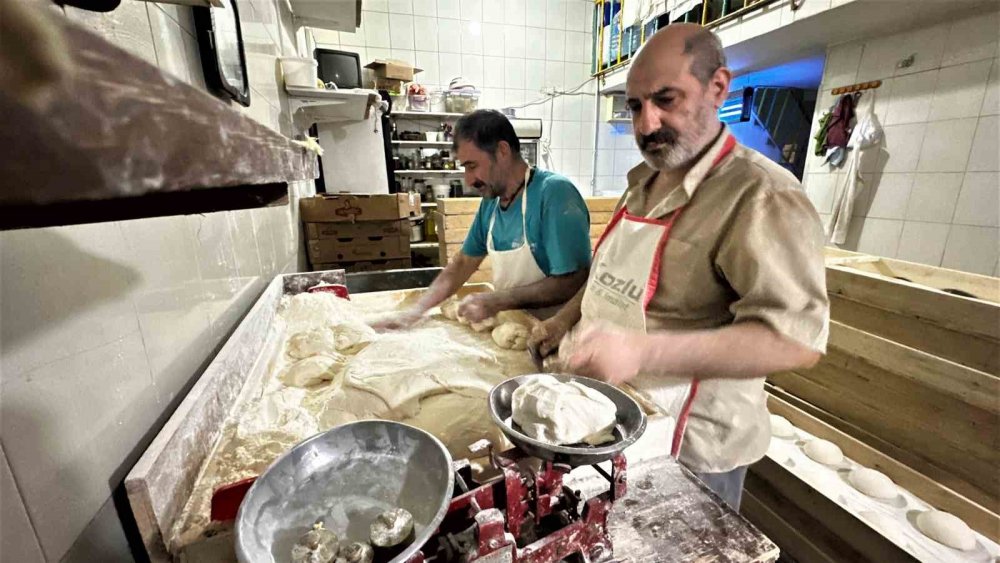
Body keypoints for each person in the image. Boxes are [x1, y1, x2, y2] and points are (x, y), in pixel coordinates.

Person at [529, 24, 830, 510]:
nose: (647, 125)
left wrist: (643, 353)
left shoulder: (761, 197)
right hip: (617, 423)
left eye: (666, 99)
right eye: (634, 106)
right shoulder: (643, 184)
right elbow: (611, 279)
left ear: (718, 88)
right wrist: (563, 321)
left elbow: (794, 342)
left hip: (691, 450)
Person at [375, 110, 592, 329]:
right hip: (516, 329)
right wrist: (415, 311)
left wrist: (497, 300)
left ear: (502, 151)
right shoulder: (492, 203)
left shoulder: (554, 194)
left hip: (558, 336)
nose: (469, 181)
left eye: (472, 166)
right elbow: (463, 263)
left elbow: (572, 281)